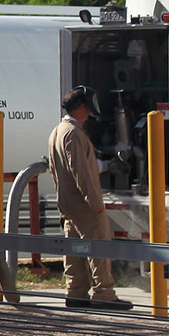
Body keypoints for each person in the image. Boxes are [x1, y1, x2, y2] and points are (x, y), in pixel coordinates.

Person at [48, 87, 130, 310]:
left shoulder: (58, 131)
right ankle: (104, 293)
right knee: (99, 244)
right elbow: (81, 172)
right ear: (82, 107)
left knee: (74, 248)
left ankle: (75, 292)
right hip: (83, 203)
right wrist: (95, 202)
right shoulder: (73, 133)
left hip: (67, 202)